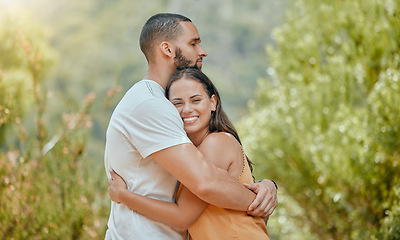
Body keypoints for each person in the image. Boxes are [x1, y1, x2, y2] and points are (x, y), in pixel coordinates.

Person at [104, 13, 277, 240]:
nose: (202, 51)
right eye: (193, 43)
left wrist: (267, 185)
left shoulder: (162, 106)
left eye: (196, 100)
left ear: (212, 103)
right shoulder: (149, 104)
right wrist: (258, 201)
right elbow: (207, 182)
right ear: (167, 49)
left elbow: (217, 172)